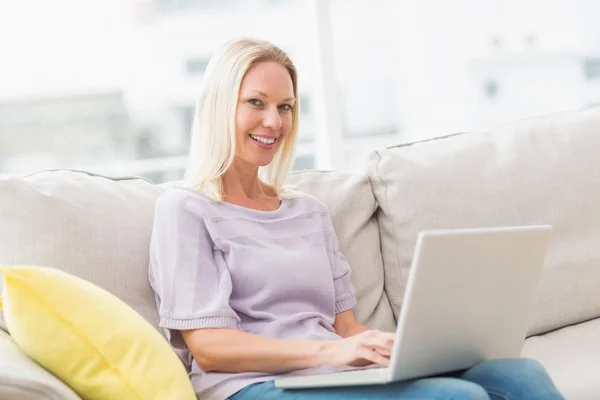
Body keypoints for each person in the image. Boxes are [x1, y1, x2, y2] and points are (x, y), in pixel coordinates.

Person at [148, 38, 564, 400]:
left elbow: (345, 327)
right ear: (220, 106)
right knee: (456, 397)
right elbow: (210, 348)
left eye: (286, 107)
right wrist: (330, 353)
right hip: (253, 386)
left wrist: (398, 347)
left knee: (519, 373)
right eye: (256, 102)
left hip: (331, 375)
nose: (273, 122)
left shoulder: (308, 212)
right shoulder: (186, 209)